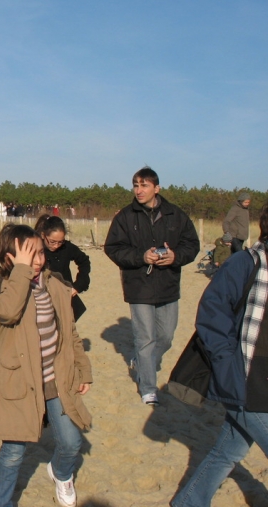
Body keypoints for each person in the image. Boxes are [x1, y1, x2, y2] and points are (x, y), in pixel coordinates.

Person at [0, 224, 92, 507]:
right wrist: (21, 271)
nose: (39, 261)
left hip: (56, 377)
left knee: (71, 443)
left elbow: (70, 332)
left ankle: (61, 473)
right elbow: (8, 312)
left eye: (40, 253)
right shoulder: (1, 288)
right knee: (14, 452)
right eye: (30, 256)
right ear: (9, 259)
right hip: (20, 383)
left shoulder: (55, 285)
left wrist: (83, 370)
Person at [170, 202, 268, 507]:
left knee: (229, 450)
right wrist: (228, 367)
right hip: (247, 377)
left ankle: (189, 502)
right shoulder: (246, 262)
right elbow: (212, 313)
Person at [104, 167, 200, 406]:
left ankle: (142, 362)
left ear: (156, 188)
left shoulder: (175, 215)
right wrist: (141, 257)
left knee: (166, 336)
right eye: (136, 185)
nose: (139, 190)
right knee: (145, 338)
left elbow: (192, 244)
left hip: (168, 285)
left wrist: (175, 256)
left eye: (144, 185)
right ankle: (148, 387)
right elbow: (112, 248)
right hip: (139, 286)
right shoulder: (125, 217)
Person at [35, 214, 91, 321]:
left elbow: (84, 261)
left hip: (65, 298)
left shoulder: (67, 247)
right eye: (52, 242)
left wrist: (77, 286)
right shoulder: (35, 248)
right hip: (42, 300)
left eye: (60, 242)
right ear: (43, 235)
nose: (56, 245)